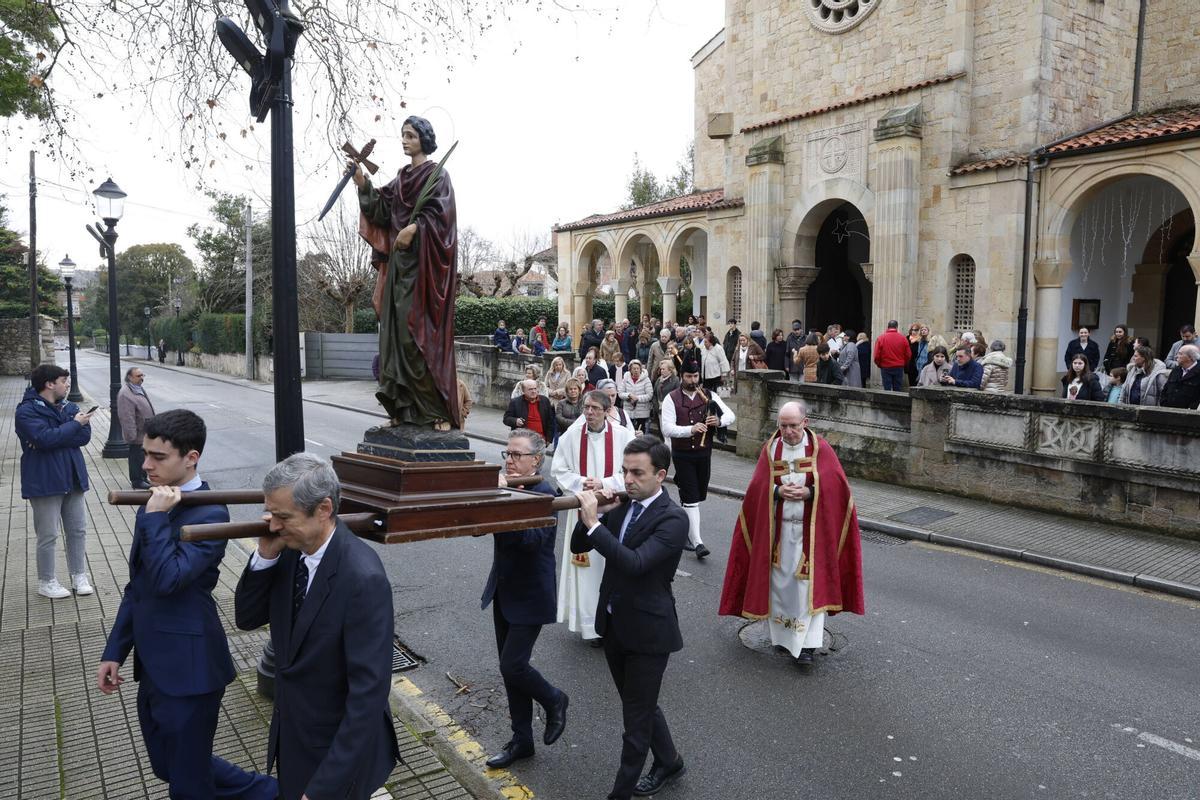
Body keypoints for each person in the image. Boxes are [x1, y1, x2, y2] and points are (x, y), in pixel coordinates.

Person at [97, 409, 277, 800]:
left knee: (188, 781)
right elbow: (138, 587)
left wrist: (154, 519)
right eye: (145, 453)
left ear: (191, 457)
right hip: (154, 663)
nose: (146, 465)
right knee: (169, 765)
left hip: (191, 669)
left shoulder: (210, 511)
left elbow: (168, 580)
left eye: (158, 457)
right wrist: (115, 651)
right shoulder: (159, 503)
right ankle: (272, 792)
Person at [235, 453, 401, 800]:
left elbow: (367, 697)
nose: (273, 525)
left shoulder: (362, 578)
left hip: (336, 753)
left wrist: (325, 788)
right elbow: (247, 618)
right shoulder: (289, 549)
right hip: (294, 735)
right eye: (271, 514)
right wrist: (265, 555)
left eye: (283, 517)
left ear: (323, 510)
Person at [570, 437, 689, 800]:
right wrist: (595, 515)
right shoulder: (624, 505)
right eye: (625, 471)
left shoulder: (673, 519)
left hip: (649, 634)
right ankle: (669, 760)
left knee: (635, 722)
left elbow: (635, 564)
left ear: (661, 475)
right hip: (614, 625)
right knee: (640, 704)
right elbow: (580, 546)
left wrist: (595, 525)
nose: (628, 479)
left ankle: (619, 794)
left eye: (637, 473)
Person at [719, 401, 865, 670]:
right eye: (783, 426)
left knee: (809, 588)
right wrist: (776, 492)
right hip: (779, 534)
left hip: (812, 536)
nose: (787, 432)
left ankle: (808, 645)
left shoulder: (821, 449)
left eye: (793, 426)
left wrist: (811, 492)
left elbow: (837, 487)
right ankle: (784, 639)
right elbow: (756, 489)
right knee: (781, 585)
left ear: (805, 423)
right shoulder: (771, 448)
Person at [355, 115, 461, 430]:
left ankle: (435, 410)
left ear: (423, 140)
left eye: (411, 136)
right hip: (399, 271)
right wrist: (363, 185)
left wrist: (415, 228)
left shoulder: (438, 176)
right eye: (403, 135)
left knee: (419, 339)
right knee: (395, 340)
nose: (405, 140)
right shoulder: (401, 179)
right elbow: (381, 210)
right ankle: (401, 408)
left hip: (424, 273)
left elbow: (443, 220)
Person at [484, 430, 570, 769]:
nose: (509, 459)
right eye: (507, 453)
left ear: (536, 460)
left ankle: (555, 699)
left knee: (513, 665)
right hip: (504, 590)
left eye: (517, 454)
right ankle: (522, 740)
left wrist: (508, 501)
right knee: (510, 673)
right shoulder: (507, 488)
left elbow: (531, 541)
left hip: (532, 596)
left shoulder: (545, 493)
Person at [552, 391, 635, 643]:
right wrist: (581, 482)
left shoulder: (623, 436)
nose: (589, 412)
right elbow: (558, 469)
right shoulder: (572, 436)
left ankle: (616, 620)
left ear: (608, 409)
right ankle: (592, 627)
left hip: (615, 510)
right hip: (583, 510)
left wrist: (605, 483)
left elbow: (634, 471)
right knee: (586, 572)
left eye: (596, 408)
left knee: (614, 566)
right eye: (586, 407)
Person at [16, 364, 94, 599]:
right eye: (63, 380)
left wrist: (58, 434)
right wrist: (73, 425)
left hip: (73, 476)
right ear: (49, 384)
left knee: (77, 530)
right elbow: (43, 439)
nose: (67, 384)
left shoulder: (69, 406)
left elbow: (84, 436)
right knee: (48, 534)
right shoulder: (26, 411)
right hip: (45, 480)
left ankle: (79, 576)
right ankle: (47, 581)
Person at [661, 359, 735, 560]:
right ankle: (698, 542)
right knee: (692, 498)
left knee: (697, 495)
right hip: (682, 454)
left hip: (704, 453)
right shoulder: (671, 398)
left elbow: (731, 415)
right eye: (688, 377)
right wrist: (690, 430)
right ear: (681, 376)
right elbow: (666, 428)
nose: (692, 381)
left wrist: (719, 421)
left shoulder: (709, 396)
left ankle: (683, 525)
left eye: (695, 377)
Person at [117, 366, 156, 489]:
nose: (142, 378)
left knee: (143, 456)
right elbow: (127, 416)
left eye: (142, 375)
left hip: (144, 432)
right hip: (137, 433)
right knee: (136, 456)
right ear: (130, 377)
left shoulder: (137, 388)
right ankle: (137, 480)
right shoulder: (125, 393)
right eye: (138, 376)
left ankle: (143, 477)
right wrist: (131, 435)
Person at [873, 320, 910, 391]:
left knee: (887, 388)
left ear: (888, 327)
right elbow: (908, 354)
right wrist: (903, 363)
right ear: (897, 327)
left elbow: (876, 355)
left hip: (885, 366)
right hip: (899, 366)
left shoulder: (881, 338)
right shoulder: (903, 338)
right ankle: (896, 402)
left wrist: (879, 364)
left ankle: (887, 401)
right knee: (897, 388)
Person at [1161, 344, 1200, 409]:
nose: (1176, 356)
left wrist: (1191, 409)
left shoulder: (1198, 372)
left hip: (1188, 416)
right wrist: (1164, 403)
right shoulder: (1176, 370)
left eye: (1180, 354)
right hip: (1167, 412)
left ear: (1190, 357)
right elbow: (1165, 389)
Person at [621, 360, 654, 433]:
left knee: (641, 433)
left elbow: (650, 395)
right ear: (630, 370)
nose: (636, 370)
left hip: (642, 412)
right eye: (634, 368)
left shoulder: (646, 379)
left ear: (640, 369)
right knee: (629, 432)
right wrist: (629, 395)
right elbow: (620, 393)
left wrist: (637, 398)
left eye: (637, 368)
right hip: (628, 411)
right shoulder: (626, 378)